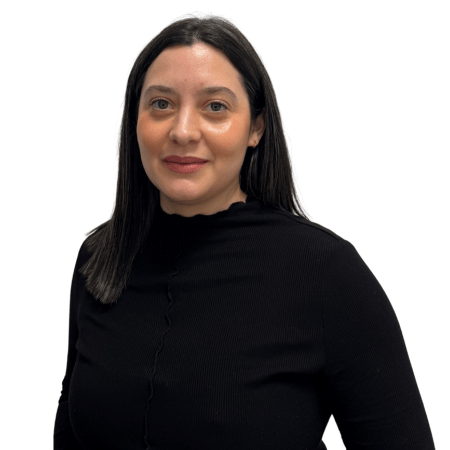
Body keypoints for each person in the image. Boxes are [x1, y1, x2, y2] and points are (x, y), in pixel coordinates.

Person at [53, 15, 436, 450]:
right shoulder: (101, 256)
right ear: (134, 120)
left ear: (256, 127)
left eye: (215, 107)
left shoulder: (324, 272)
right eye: (161, 104)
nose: (182, 131)